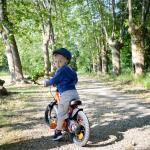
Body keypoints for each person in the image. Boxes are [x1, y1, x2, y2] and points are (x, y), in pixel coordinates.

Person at [44, 48, 79, 140]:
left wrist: (47, 83)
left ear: (66, 61)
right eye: (56, 61)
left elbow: (54, 79)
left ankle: (58, 132)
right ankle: (74, 122)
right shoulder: (71, 70)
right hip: (74, 93)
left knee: (61, 114)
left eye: (60, 61)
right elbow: (75, 79)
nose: (58, 63)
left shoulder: (61, 70)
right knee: (70, 110)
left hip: (66, 94)